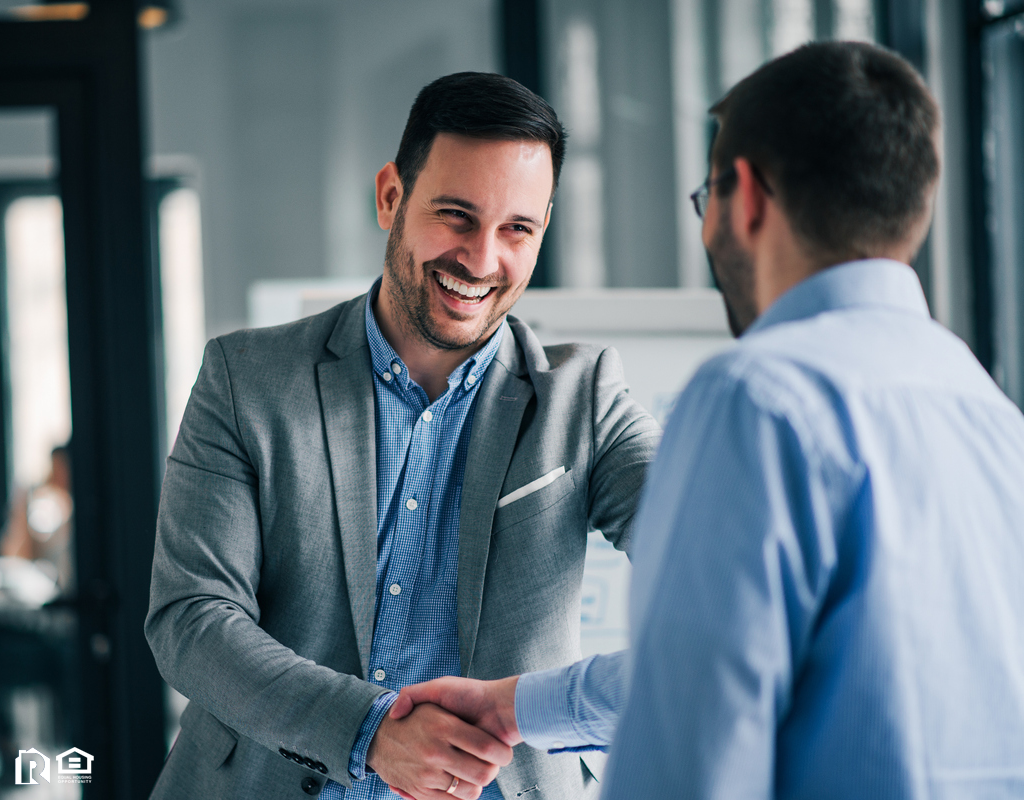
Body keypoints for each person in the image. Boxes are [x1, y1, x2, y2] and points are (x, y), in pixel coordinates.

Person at [390, 41, 1024, 798]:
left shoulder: (757, 397)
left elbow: (691, 738)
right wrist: (516, 706)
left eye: (706, 197)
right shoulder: (991, 414)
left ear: (746, 196)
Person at [144, 71, 659, 800]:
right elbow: (191, 619)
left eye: (518, 229)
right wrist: (371, 732)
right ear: (392, 196)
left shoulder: (585, 400)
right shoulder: (246, 379)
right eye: (455, 215)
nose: (481, 260)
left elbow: (719, 569)